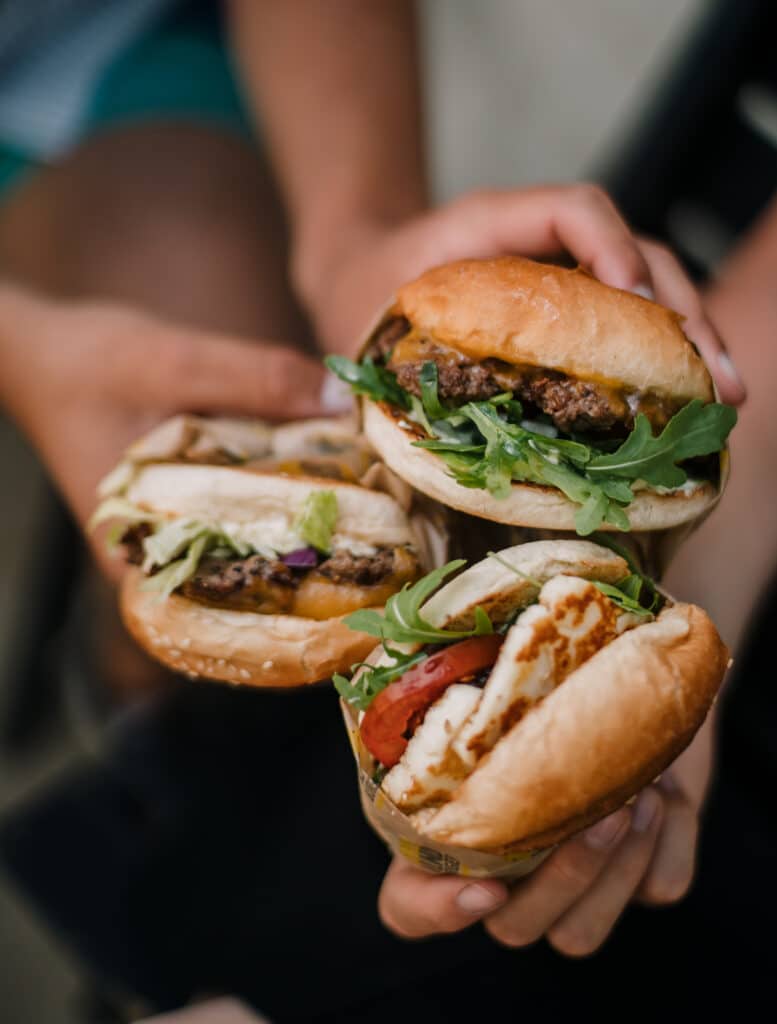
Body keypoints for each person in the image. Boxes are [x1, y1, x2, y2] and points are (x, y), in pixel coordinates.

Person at [0, 2, 749, 1017]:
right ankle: (135, 717)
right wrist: (21, 351)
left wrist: (354, 238)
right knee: (185, 640)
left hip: (97, 38)